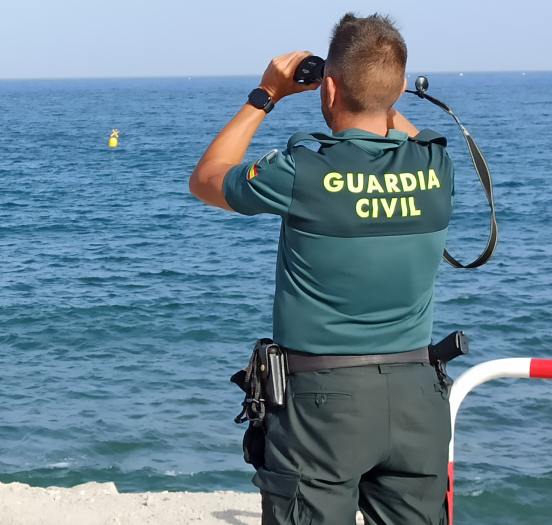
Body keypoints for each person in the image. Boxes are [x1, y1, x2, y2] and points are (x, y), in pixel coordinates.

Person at [189, 13, 454, 525]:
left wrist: (266, 93)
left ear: (326, 89)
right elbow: (397, 121)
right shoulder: (435, 168)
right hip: (418, 396)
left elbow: (206, 178)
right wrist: (378, 91)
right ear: (399, 89)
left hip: (321, 405)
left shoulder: (304, 172)